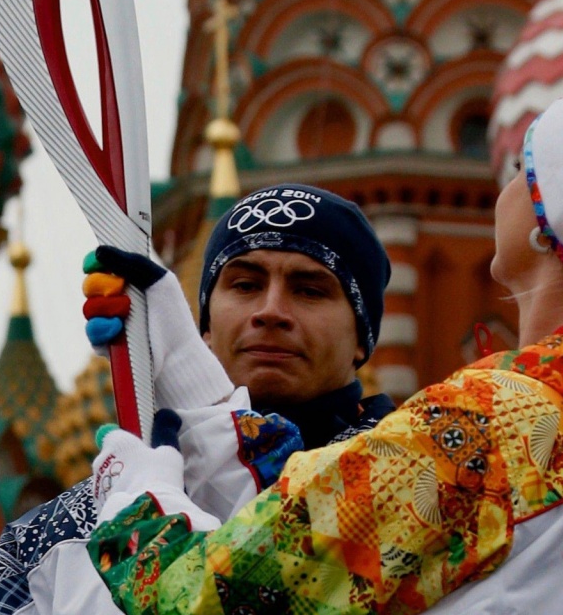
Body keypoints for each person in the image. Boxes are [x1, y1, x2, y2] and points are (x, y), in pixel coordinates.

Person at [89, 98, 563, 614]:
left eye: (521, 169)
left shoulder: (499, 423)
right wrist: (194, 383)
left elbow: (210, 596)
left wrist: (134, 496)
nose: (270, 313)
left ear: (547, 221)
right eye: (243, 285)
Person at [0, 184, 393, 615]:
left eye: (310, 290)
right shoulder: (68, 528)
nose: (271, 311)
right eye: (244, 285)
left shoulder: (407, 484)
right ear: (204, 324)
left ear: (361, 337)